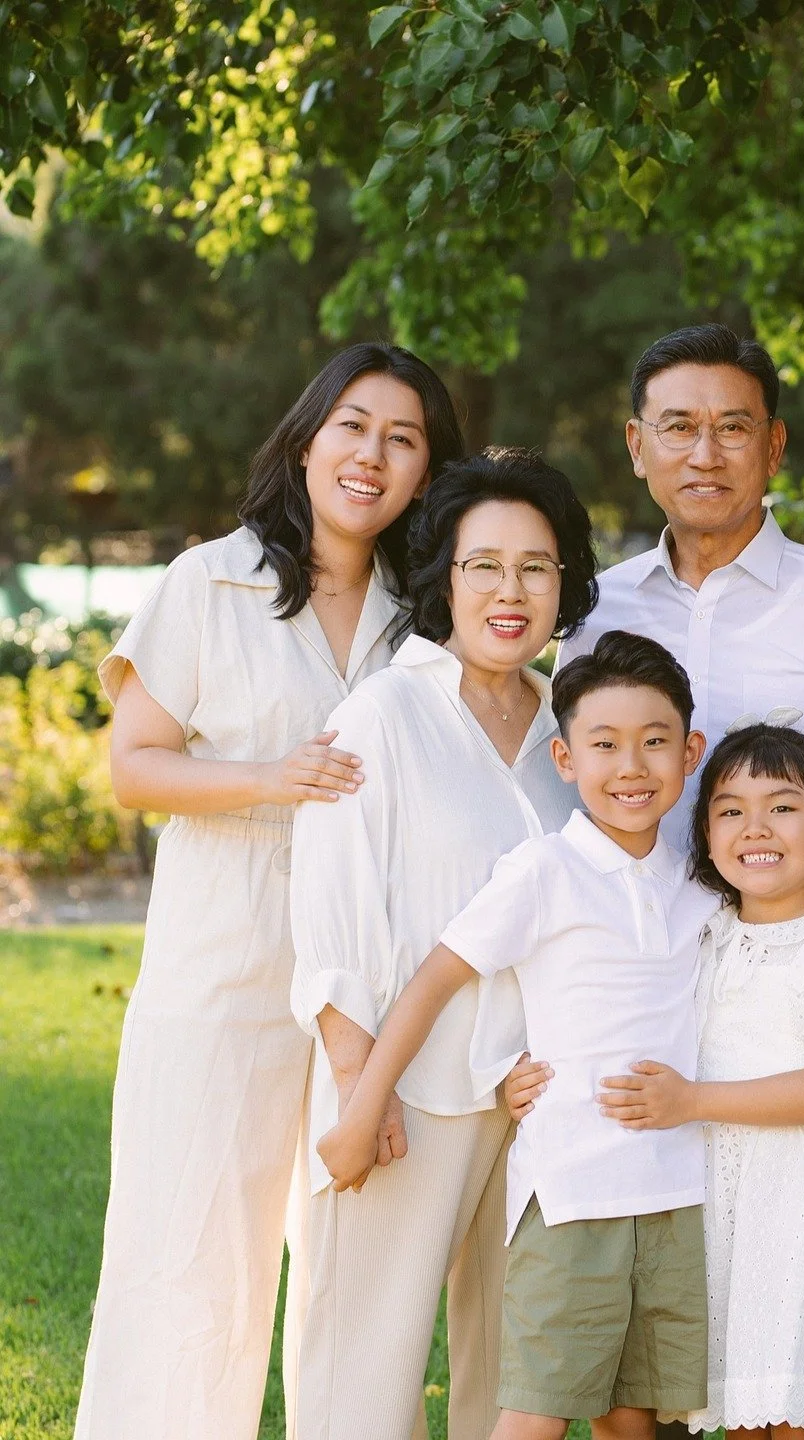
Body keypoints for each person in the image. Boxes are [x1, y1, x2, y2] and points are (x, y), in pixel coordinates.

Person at [76, 343, 463, 1440]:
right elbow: (134, 763)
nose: (372, 455)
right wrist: (272, 777)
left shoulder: (426, 616)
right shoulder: (210, 579)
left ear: (426, 475)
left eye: (404, 438)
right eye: (352, 426)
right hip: (223, 964)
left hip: (373, 978)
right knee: (190, 1256)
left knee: (362, 1259)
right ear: (304, 444)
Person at [315, 630, 716, 1440]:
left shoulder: (700, 884)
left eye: (654, 743)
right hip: (572, 1198)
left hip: (679, 1196)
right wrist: (362, 1107)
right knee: (535, 1413)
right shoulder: (543, 872)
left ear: (691, 751)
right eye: (604, 745)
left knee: (636, 1417)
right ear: (565, 762)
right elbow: (436, 981)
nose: (631, 766)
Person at [286, 449, 599, 1440]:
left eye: (536, 568)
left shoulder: (568, 730)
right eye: (484, 566)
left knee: (510, 1378)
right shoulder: (384, 713)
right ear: (443, 579)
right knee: (359, 1375)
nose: (511, 592)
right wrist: (356, 1082)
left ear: (565, 583)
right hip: (403, 1094)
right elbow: (333, 905)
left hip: (531, 1098)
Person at [572, 720, 804, 1439]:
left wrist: (687, 1101)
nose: (756, 828)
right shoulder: (705, 932)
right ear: (706, 835)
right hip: (727, 1205)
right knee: (746, 1411)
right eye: (730, 810)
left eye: (783, 806)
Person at [556, 323, 804, 898]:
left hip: (798, 963)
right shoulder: (596, 612)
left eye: (732, 428)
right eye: (679, 428)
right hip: (634, 957)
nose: (705, 456)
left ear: (774, 446)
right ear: (637, 446)